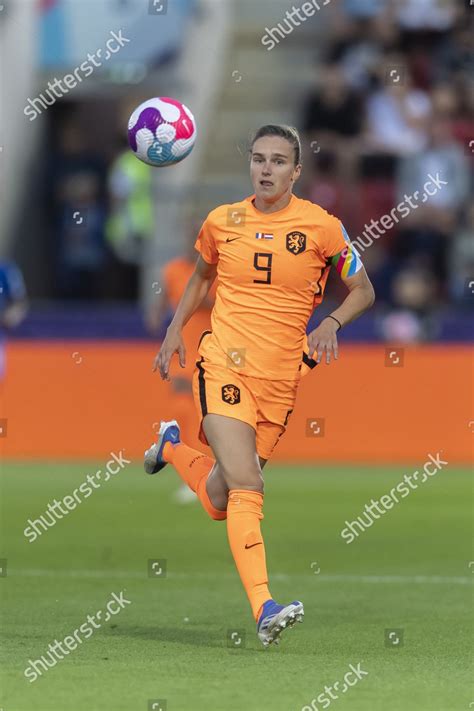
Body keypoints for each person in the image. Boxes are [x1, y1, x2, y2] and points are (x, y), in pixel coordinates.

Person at [144, 125, 375, 647]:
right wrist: (174, 330)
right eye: (258, 159)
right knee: (248, 482)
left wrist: (332, 323)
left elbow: (363, 289)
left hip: (282, 379)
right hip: (224, 362)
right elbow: (202, 275)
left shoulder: (323, 228)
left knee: (221, 497)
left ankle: (172, 446)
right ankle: (265, 607)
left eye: (277, 161)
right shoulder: (222, 221)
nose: (266, 169)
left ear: (296, 172)